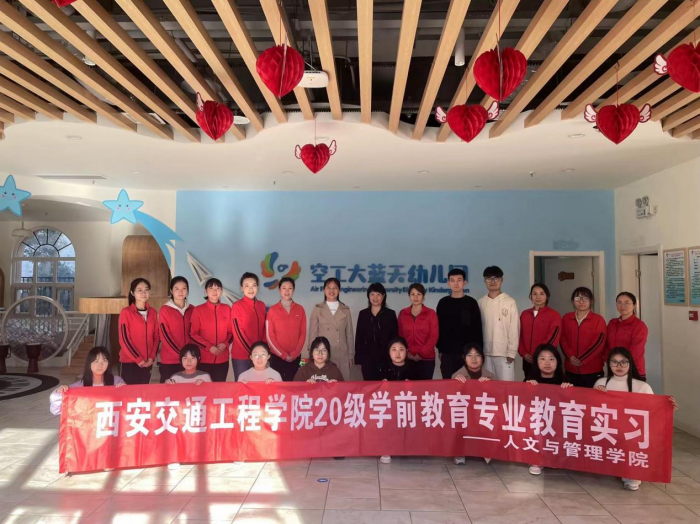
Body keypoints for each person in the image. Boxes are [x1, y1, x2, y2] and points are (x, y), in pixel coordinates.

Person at [595, 347, 678, 491]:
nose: (619, 366)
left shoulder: (642, 386)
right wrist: (597, 395)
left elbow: (654, 411)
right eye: (614, 362)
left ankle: (631, 474)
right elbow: (592, 409)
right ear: (609, 364)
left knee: (631, 438)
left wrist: (667, 408)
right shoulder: (600, 383)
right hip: (608, 427)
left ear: (630, 363)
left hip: (632, 430)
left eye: (623, 362)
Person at [526, 344, 573, 476]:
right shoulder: (530, 381)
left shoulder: (565, 382)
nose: (547, 363)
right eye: (542, 359)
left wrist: (569, 392)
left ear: (558, 362)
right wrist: (527, 389)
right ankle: (535, 460)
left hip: (556, 422)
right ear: (536, 362)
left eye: (551, 359)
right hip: (536, 421)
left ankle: (553, 456)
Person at [452, 343, 494, 466]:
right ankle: (460, 451)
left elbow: (497, 399)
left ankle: (486, 450)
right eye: (469, 355)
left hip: (483, 412)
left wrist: (490, 386)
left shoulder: (490, 376)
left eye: (477, 355)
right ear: (464, 358)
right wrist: (456, 384)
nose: (474, 359)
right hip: (465, 412)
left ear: (482, 358)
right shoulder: (456, 376)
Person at [50, 346, 125, 415]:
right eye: (96, 361)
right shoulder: (78, 387)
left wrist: (125, 390)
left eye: (104, 360)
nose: (100, 365)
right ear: (89, 363)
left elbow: (127, 405)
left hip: (110, 423)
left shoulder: (117, 381)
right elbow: (56, 410)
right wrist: (59, 392)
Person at [436, 268, 483, 379]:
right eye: (452, 280)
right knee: (448, 383)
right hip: (447, 352)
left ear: (464, 282)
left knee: (469, 384)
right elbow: (439, 328)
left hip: (467, 353)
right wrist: (440, 350)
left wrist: (478, 352)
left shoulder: (471, 303)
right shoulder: (443, 303)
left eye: (459, 280)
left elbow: (477, 328)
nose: (456, 283)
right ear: (448, 283)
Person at [477, 266, 519, 381]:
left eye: (496, 278)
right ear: (484, 281)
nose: (492, 281)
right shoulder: (480, 303)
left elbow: (514, 329)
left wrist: (511, 352)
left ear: (502, 280)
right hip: (485, 353)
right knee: (487, 386)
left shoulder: (510, 302)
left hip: (504, 354)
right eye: (489, 278)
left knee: (506, 386)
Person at [308, 278, 355, 381]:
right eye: (328, 288)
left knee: (341, 384)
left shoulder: (345, 309)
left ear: (339, 290)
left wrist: (351, 355)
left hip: (341, 354)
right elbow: (312, 334)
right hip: (322, 355)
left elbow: (349, 334)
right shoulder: (318, 309)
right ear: (324, 290)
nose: (331, 291)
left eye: (335, 288)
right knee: (323, 384)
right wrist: (311, 354)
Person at [379, 337, 416, 465]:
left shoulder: (414, 368)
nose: (398, 353)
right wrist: (381, 384)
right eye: (394, 350)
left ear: (407, 351)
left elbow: (423, 390)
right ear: (389, 352)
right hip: (388, 408)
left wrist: (412, 385)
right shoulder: (382, 368)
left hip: (407, 408)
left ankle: (407, 447)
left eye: (401, 349)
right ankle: (386, 449)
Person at [560, 287, 607, 388]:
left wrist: (582, 359)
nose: (581, 302)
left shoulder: (598, 320)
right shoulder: (566, 318)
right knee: (571, 396)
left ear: (591, 301)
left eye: (585, 298)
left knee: (591, 397)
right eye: (578, 298)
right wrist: (570, 356)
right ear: (573, 301)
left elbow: (598, 343)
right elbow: (562, 339)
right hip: (570, 369)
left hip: (592, 370)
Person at [189, 278, 232, 382]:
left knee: (219, 389)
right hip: (204, 359)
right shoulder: (198, 310)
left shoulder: (227, 309)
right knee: (203, 389)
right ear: (205, 291)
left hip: (222, 359)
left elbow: (232, 332)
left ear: (221, 291)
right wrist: (209, 347)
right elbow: (192, 334)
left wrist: (225, 344)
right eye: (211, 288)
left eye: (217, 288)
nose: (214, 291)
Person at [119, 278, 159, 384]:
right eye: (139, 290)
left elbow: (156, 337)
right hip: (130, 363)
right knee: (128, 392)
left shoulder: (153, 312)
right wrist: (138, 359)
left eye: (146, 290)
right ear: (132, 293)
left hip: (148, 362)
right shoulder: (126, 312)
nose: (143, 293)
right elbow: (124, 339)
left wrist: (152, 357)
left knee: (143, 392)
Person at [355, 283, 399, 381]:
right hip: (367, 358)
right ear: (368, 296)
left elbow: (395, 338)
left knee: (386, 386)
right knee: (370, 385)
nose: (375, 297)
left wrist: (394, 357)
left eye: (378, 294)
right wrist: (358, 359)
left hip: (386, 358)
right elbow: (359, 337)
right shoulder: (363, 314)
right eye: (372, 294)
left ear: (383, 296)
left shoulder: (390, 314)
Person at [266, 277, 306, 381]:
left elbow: (303, 333)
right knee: (277, 386)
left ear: (294, 290)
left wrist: (295, 354)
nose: (287, 291)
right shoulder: (272, 310)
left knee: (293, 386)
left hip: (294, 358)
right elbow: (269, 336)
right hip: (277, 357)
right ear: (279, 290)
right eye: (284, 288)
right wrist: (283, 355)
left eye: (290, 288)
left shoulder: (300, 309)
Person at [518, 283, 561, 378]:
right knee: (529, 384)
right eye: (535, 294)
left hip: (544, 360)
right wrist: (524, 353)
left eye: (542, 294)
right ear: (530, 296)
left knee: (545, 386)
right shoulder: (525, 314)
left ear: (547, 296)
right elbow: (519, 336)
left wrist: (538, 355)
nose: (538, 297)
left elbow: (553, 338)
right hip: (527, 360)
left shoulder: (554, 315)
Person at [398, 283, 439, 380]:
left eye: (419, 294)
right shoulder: (403, 313)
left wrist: (421, 354)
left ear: (423, 296)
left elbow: (434, 337)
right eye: (413, 294)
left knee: (424, 388)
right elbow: (400, 336)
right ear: (409, 296)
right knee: (407, 387)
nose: (415, 297)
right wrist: (405, 352)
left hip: (426, 359)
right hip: (407, 358)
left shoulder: (431, 313)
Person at [231, 272, 267, 381]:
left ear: (257, 287)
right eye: (247, 286)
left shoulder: (261, 305)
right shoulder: (237, 306)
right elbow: (238, 333)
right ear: (242, 288)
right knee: (242, 385)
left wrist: (262, 351)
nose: (251, 289)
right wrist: (253, 353)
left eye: (254, 285)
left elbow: (265, 330)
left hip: (259, 356)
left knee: (259, 385)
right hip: (242, 356)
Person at [158, 276, 195, 383]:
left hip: (189, 360)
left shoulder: (193, 309)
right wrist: (181, 355)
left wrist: (190, 356)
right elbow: (165, 336)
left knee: (188, 390)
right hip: (170, 360)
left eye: (184, 288)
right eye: (176, 289)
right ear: (171, 291)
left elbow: (195, 334)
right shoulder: (165, 309)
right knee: (168, 390)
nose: (180, 292)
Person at [606, 292, 649, 380]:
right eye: (619, 302)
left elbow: (636, 350)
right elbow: (606, 345)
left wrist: (620, 363)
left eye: (627, 302)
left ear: (634, 305)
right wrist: (611, 361)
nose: (622, 306)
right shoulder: (612, 323)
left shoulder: (639, 325)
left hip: (633, 370)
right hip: (613, 369)